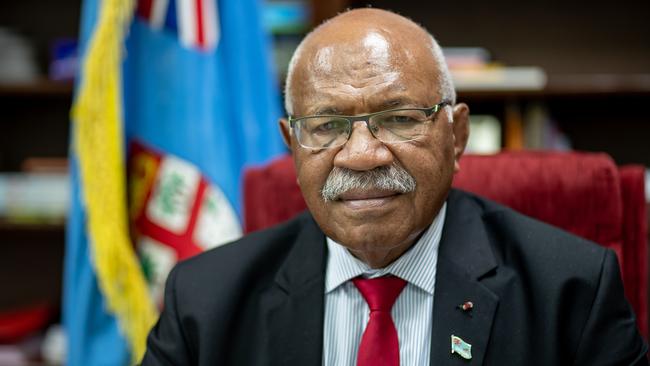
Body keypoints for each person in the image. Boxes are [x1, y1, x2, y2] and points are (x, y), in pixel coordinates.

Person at [142, 8, 647, 365]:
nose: (362, 155)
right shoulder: (204, 302)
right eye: (326, 125)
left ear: (457, 136)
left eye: (401, 118)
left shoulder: (571, 293)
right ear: (292, 144)